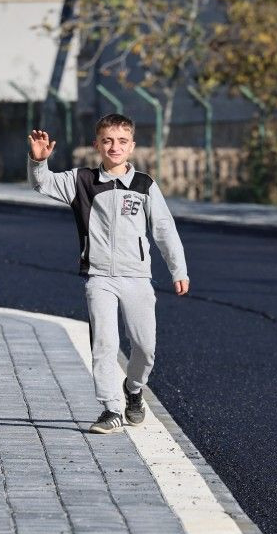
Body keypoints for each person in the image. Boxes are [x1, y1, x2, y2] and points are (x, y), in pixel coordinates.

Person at [27, 114, 190, 434]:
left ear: (131, 147)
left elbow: (164, 229)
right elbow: (42, 183)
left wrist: (178, 269)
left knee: (145, 347)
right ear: (97, 145)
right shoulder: (82, 181)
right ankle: (111, 409)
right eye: (107, 141)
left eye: (121, 141)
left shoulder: (144, 184)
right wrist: (38, 161)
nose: (114, 146)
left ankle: (133, 389)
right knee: (104, 342)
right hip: (99, 277)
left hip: (138, 278)